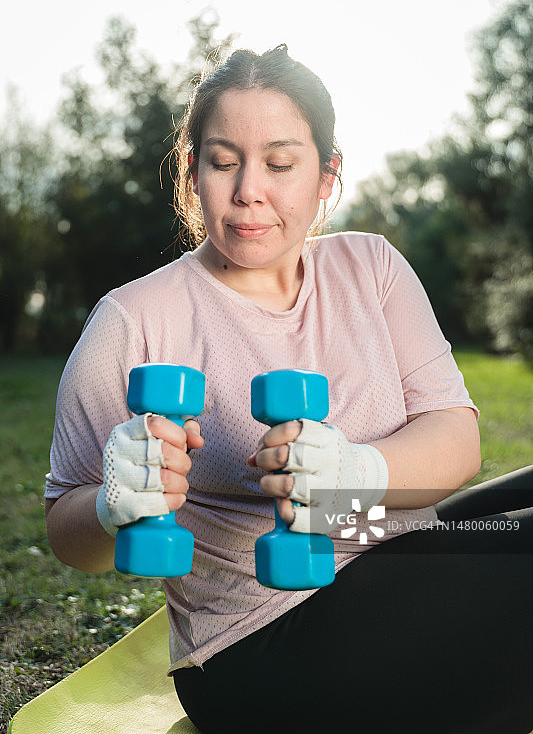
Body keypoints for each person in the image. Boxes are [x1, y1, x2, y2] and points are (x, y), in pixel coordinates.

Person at [45, 45, 533, 734]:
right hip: (262, 642)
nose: (250, 189)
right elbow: (68, 532)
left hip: (389, 544)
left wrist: (358, 471)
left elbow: (455, 441)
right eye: (221, 161)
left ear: (325, 176)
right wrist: (110, 505)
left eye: (279, 163)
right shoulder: (133, 319)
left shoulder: (371, 267)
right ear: (192, 172)